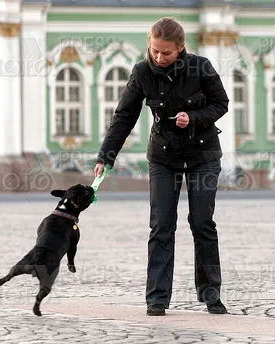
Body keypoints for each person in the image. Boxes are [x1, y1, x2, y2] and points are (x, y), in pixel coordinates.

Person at [94, 17, 229, 316]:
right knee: (161, 227)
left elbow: (221, 103)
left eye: (166, 52)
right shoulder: (142, 72)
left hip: (202, 155)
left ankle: (211, 294)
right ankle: (156, 298)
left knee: (202, 223)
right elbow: (124, 116)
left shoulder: (201, 67)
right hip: (163, 157)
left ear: (180, 48)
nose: (159, 57)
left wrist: (193, 118)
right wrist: (106, 156)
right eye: (154, 50)